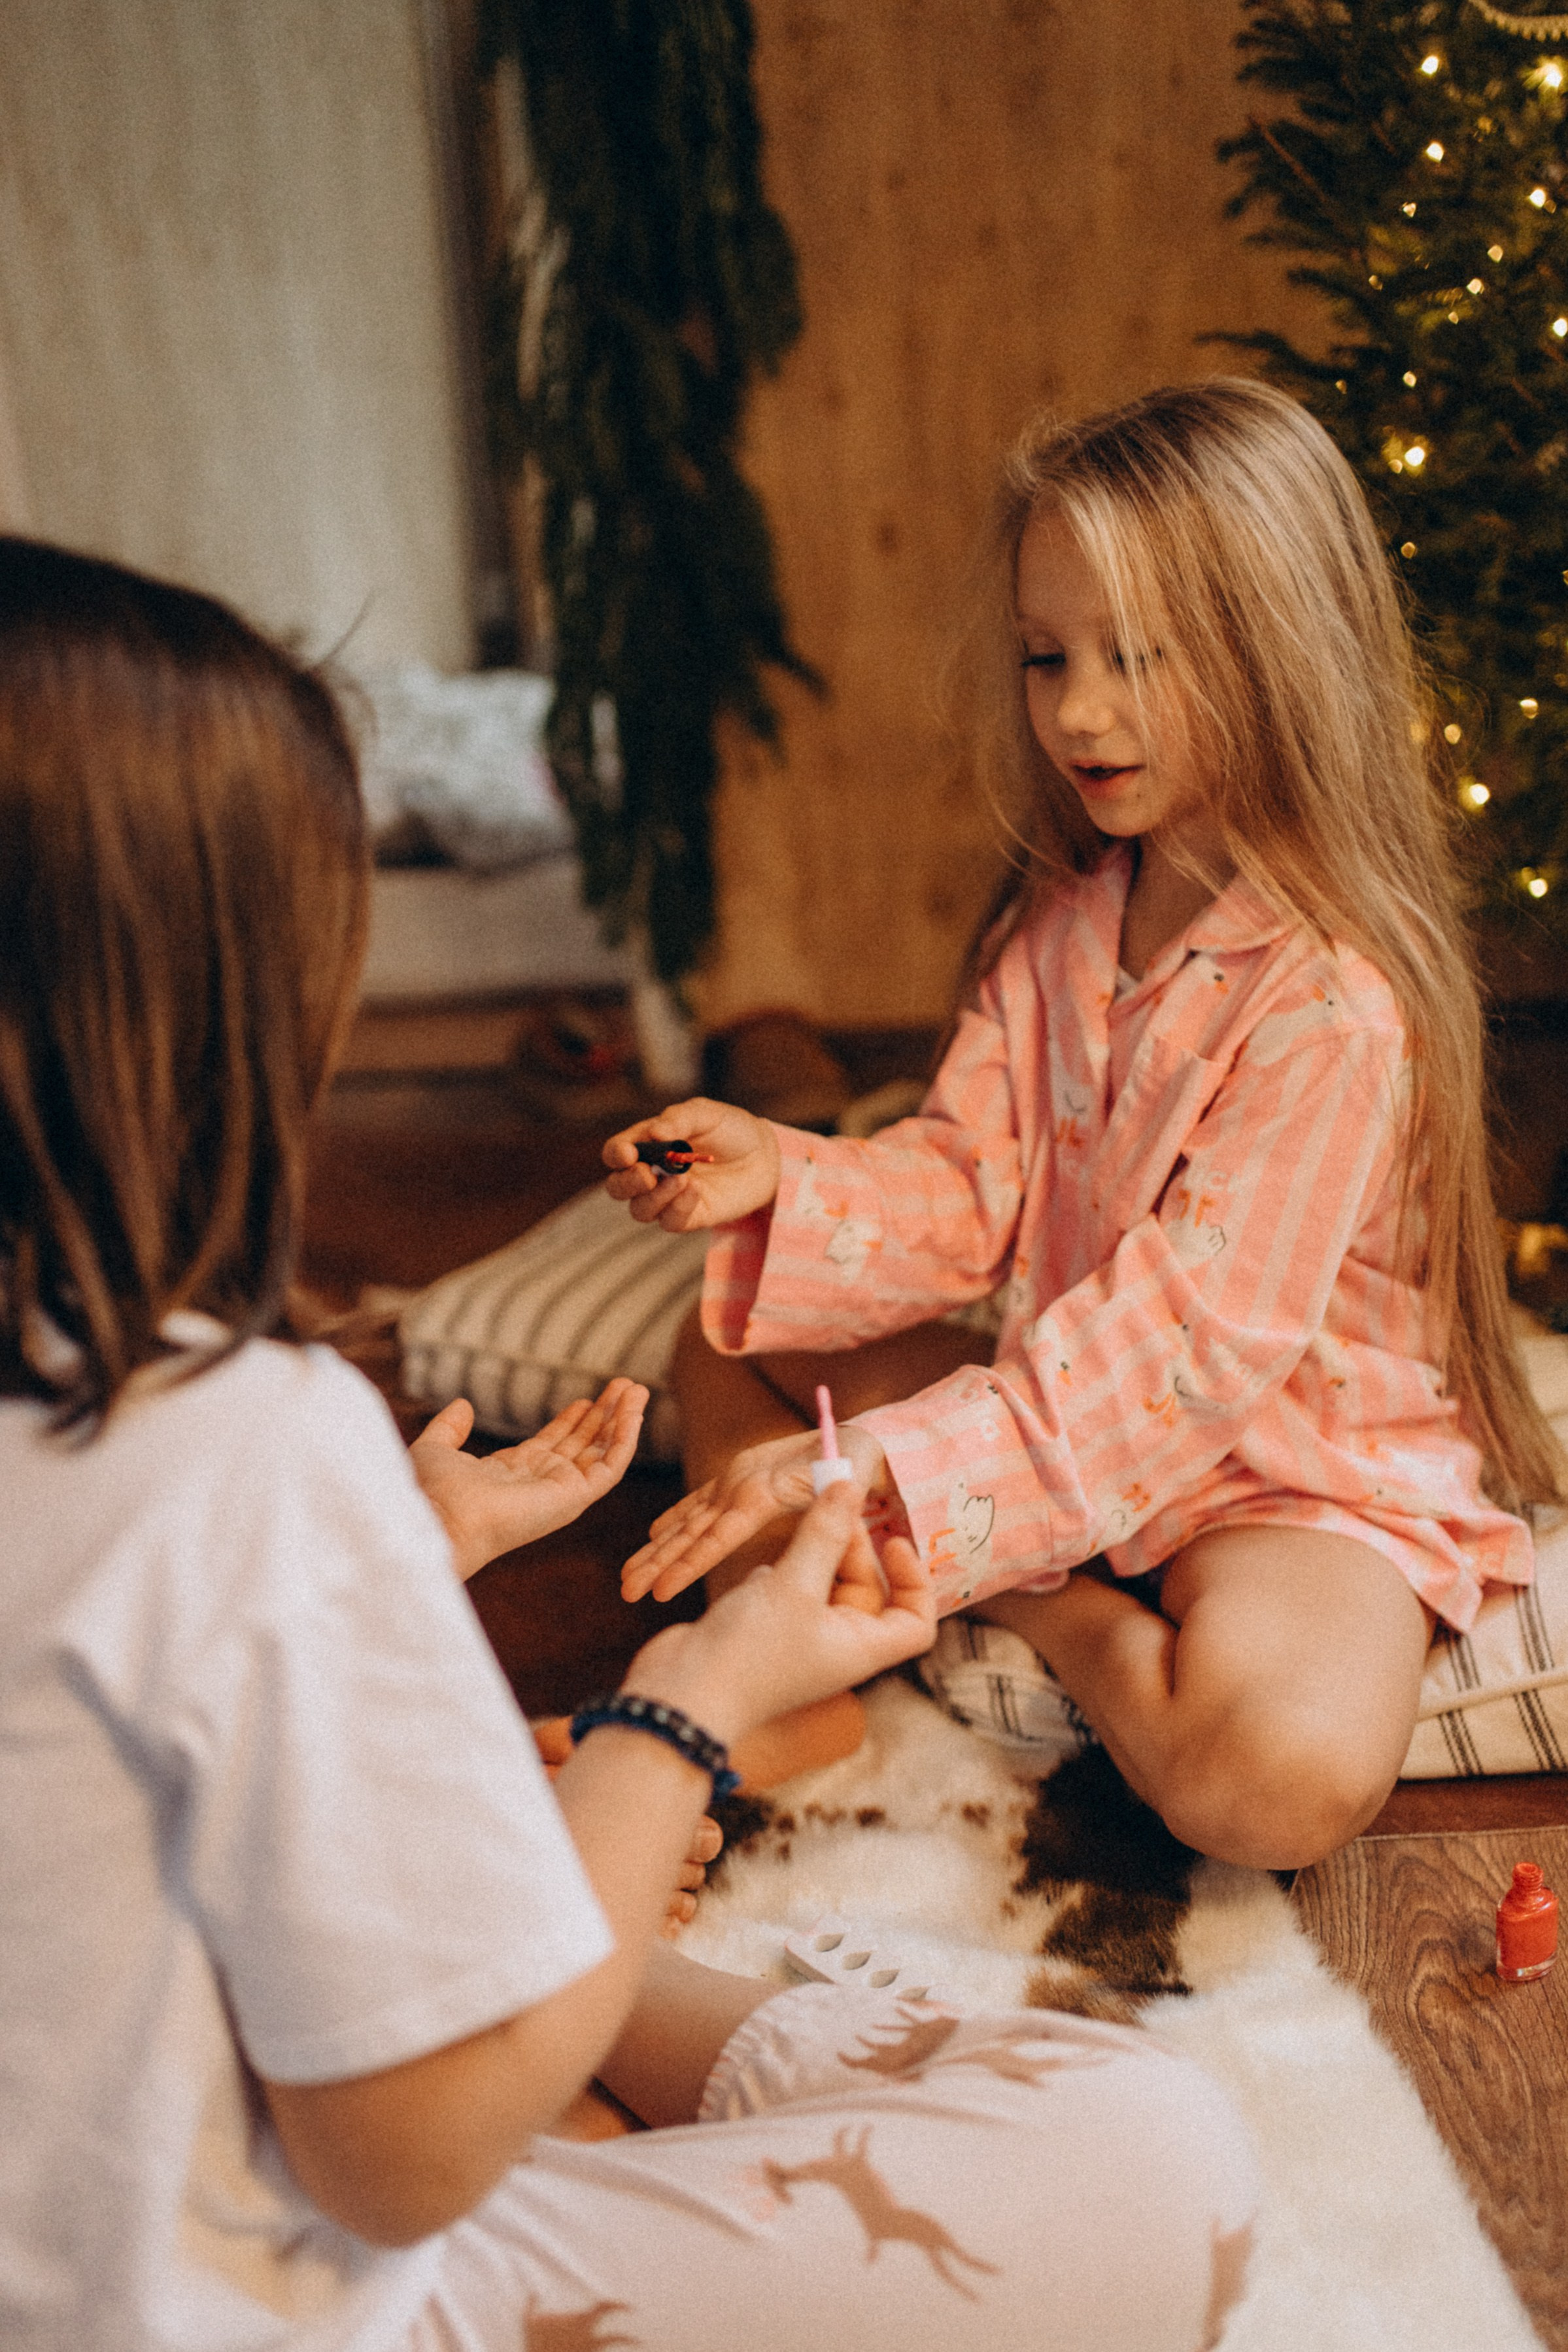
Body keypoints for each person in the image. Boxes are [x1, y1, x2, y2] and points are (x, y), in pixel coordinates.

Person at [0, 537, 1261, 2352]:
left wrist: (383, 1563)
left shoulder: (214, 1465)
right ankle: (552, 1954)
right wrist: (686, 1707)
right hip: (255, 2291)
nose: (1079, 708)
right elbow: (402, 2162)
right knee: (1151, 2156)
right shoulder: (232, 1446)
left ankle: (543, 1942)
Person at [604, 377, 1566, 1872]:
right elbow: (969, 1183)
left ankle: (1030, 1593)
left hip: (1277, 1464)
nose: (1076, 711)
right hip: (1057, 1398)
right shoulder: (1061, 920)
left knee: (1275, 1779)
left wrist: (878, 1474)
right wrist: (778, 1167)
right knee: (723, 1329)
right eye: (1046, 655)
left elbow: (1183, 1359)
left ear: (1278, 651)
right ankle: (792, 1664)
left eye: (1135, 657)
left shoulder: (1333, 1002)